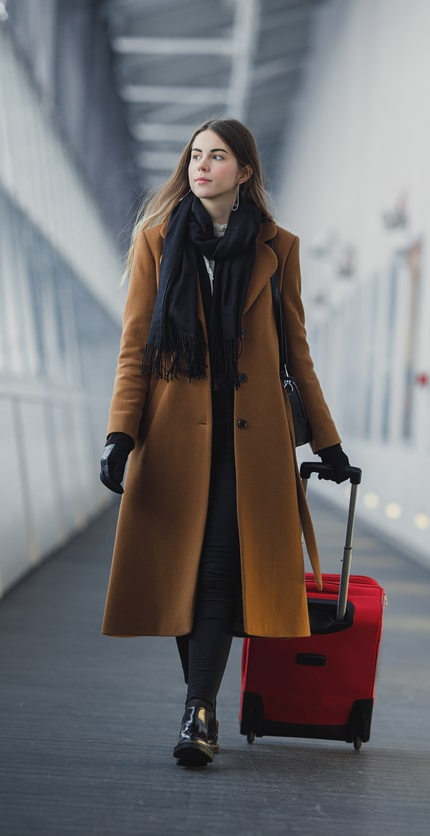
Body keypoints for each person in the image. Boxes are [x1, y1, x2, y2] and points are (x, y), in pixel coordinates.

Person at [98, 118, 351, 768]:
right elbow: (135, 349)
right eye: (195, 156)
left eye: (217, 157)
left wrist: (326, 442)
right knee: (185, 571)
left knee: (215, 567)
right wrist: (121, 435)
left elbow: (297, 353)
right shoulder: (159, 242)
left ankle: (197, 711)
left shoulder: (278, 247)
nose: (201, 166)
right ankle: (200, 704)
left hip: (253, 443)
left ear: (244, 172)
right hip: (175, 438)